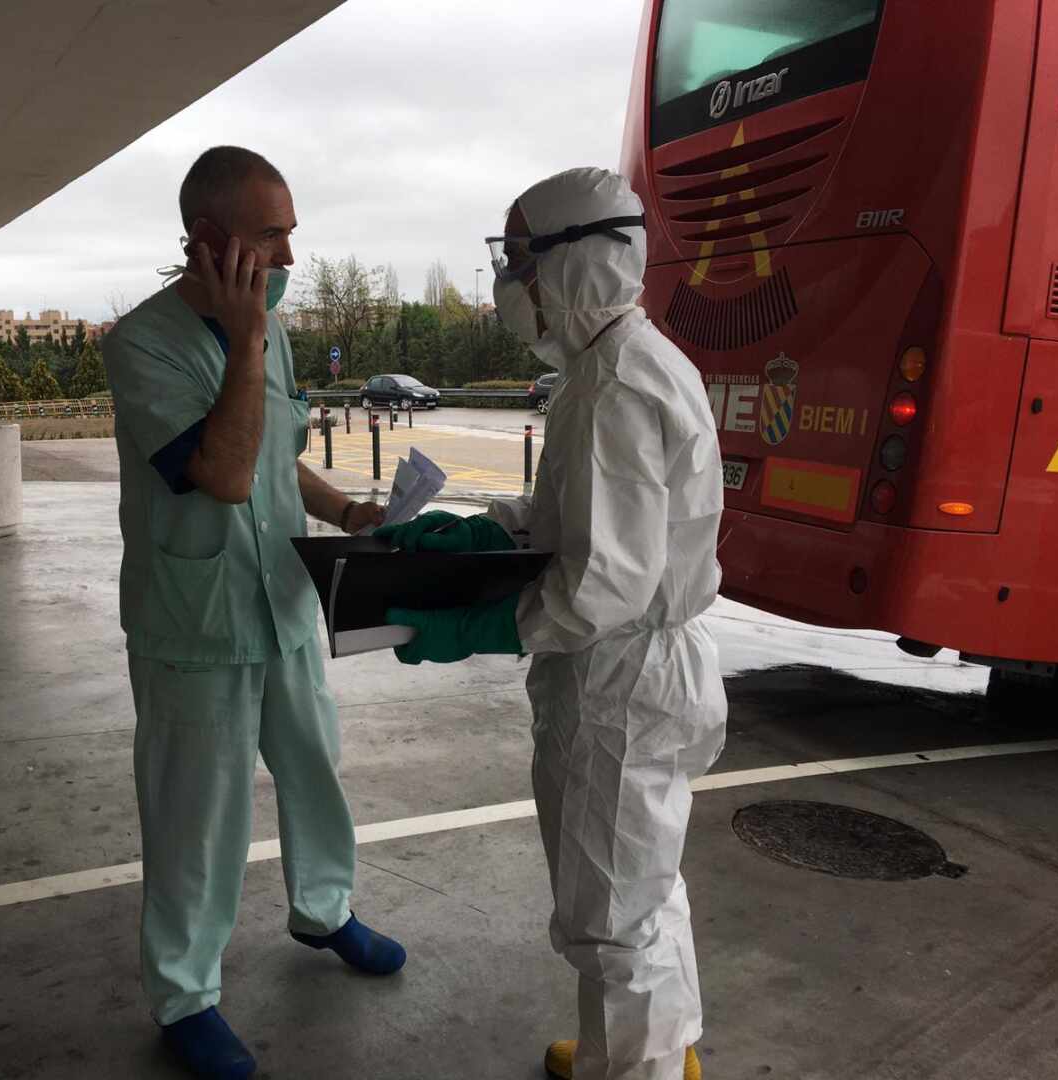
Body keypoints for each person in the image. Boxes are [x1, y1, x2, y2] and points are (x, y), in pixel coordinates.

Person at [378, 168, 726, 1080]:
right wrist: (483, 531)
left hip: (622, 674)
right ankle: (653, 1051)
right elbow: (587, 522)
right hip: (644, 668)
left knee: (613, 914)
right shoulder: (619, 364)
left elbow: (603, 583)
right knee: (644, 883)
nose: (512, 286)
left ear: (582, 261)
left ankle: (641, 1070)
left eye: (522, 262)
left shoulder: (614, 384)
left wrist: (475, 627)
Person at [101, 145, 405, 1080]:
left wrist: (346, 509)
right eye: (272, 237)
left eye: (290, 238)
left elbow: (274, 460)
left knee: (316, 763)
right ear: (209, 239)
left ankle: (324, 909)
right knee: (200, 812)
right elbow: (225, 474)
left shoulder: (266, 335)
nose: (287, 260)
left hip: (281, 598)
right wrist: (241, 343)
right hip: (195, 621)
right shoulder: (143, 344)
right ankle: (185, 994)